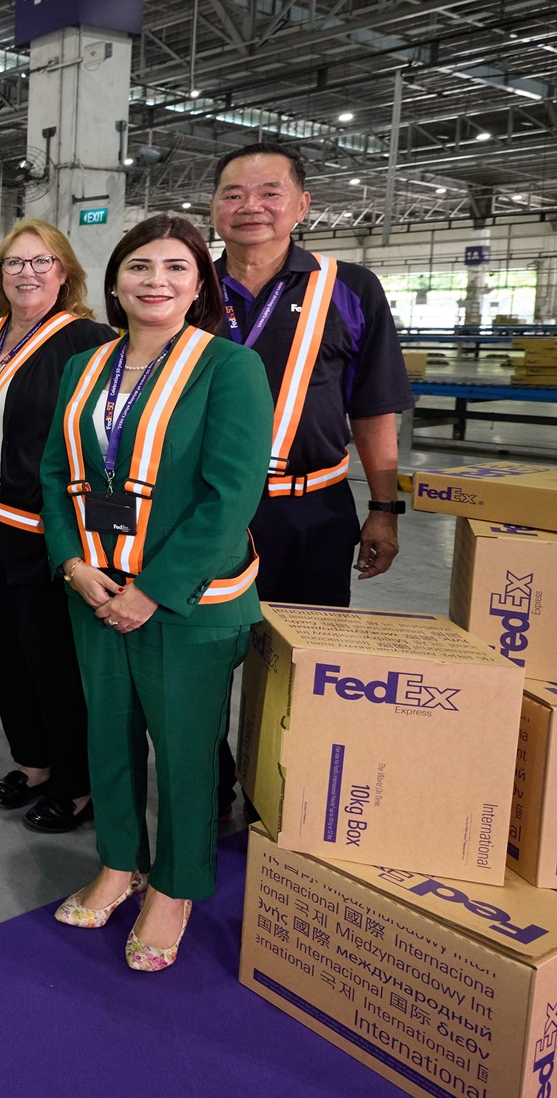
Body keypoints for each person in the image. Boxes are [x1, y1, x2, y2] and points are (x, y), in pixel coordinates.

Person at [41, 214, 271, 972]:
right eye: (140, 266)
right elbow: (55, 472)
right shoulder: (86, 367)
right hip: (95, 589)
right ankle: (118, 863)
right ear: (114, 282)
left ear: (200, 284)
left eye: (176, 267)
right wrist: (72, 563)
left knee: (183, 751)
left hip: (186, 602)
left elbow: (230, 495)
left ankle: (174, 887)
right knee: (106, 737)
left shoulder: (228, 367)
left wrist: (153, 590)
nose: (156, 281)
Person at [208, 143, 414, 814]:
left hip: (310, 511)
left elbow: (373, 409)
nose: (251, 206)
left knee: (301, 661)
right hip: (206, 512)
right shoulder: (188, 288)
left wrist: (384, 508)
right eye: (234, 193)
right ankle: (207, 785)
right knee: (200, 660)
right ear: (214, 208)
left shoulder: (349, 288)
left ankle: (280, 792)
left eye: (270, 192)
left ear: (302, 205)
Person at [0, 219, 116, 833]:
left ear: (65, 273)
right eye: (14, 262)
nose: (26, 273)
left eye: (41, 262)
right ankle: (33, 763)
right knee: (3, 653)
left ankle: (77, 783)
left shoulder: (88, 341)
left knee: (52, 661)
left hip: (41, 529)